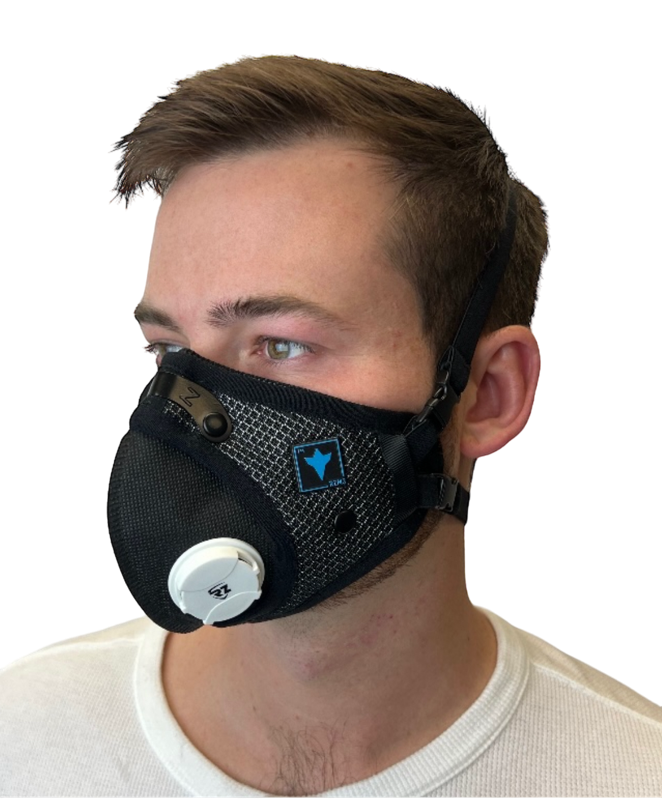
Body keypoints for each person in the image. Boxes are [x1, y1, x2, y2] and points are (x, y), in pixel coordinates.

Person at [1, 54, 660, 799]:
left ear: (488, 394)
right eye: (168, 351)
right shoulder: (20, 734)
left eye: (281, 345)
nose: (182, 410)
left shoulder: (631, 775)